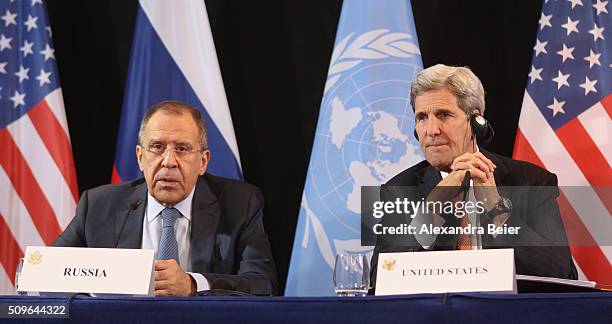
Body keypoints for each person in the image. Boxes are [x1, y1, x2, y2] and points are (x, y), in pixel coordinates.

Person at [371, 64, 577, 289]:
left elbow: (562, 273)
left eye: (444, 115)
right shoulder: (400, 188)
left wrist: (497, 210)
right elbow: (378, 279)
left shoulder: (531, 181)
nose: (431, 130)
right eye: (422, 117)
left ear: (476, 122)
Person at [54, 101, 277, 296]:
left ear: (203, 162)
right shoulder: (98, 205)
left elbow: (262, 284)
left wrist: (192, 285)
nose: (168, 161)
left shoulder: (240, 204)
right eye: (158, 147)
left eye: (182, 149)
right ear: (140, 157)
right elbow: (47, 274)